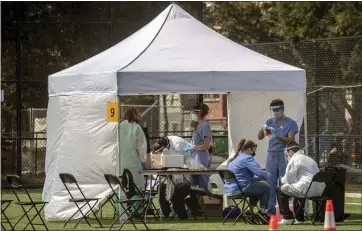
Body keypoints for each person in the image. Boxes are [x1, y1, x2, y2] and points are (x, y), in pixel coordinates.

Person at [258, 99, 299, 217]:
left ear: (282, 109)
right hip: (271, 153)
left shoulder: (291, 122)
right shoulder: (270, 121)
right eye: (273, 110)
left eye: (277, 110)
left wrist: (278, 136)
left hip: (284, 154)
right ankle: (270, 212)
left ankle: (284, 211)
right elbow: (260, 137)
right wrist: (263, 127)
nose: (275, 112)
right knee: (270, 182)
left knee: (283, 182)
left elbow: (291, 139)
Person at [277, 141, 326, 225]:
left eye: (287, 154)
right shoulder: (310, 159)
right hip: (319, 190)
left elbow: (289, 180)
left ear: (291, 152)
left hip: (306, 189)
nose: (287, 156)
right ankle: (299, 217)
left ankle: (287, 217)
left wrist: (283, 180)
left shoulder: (294, 159)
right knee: (297, 187)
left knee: (280, 189)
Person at [224, 139, 270, 224]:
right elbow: (260, 172)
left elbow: (241, 177)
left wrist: (257, 179)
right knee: (266, 187)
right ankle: (262, 213)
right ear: (249, 149)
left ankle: (250, 212)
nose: (254, 153)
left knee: (257, 186)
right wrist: (270, 176)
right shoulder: (247, 158)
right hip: (241, 189)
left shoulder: (233, 160)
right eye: (253, 150)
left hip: (230, 190)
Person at [118, 107, 151, 219]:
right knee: (138, 188)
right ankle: (137, 211)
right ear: (136, 115)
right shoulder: (137, 128)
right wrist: (143, 160)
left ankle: (120, 210)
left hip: (120, 163)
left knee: (121, 187)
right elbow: (142, 147)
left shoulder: (118, 127)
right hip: (133, 163)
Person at [183, 103, 213, 193]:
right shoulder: (198, 126)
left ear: (198, 113)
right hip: (195, 159)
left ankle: (206, 203)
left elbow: (207, 145)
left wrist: (194, 147)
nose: (192, 115)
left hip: (201, 159)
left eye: (193, 113)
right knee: (193, 186)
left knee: (203, 185)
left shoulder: (205, 126)